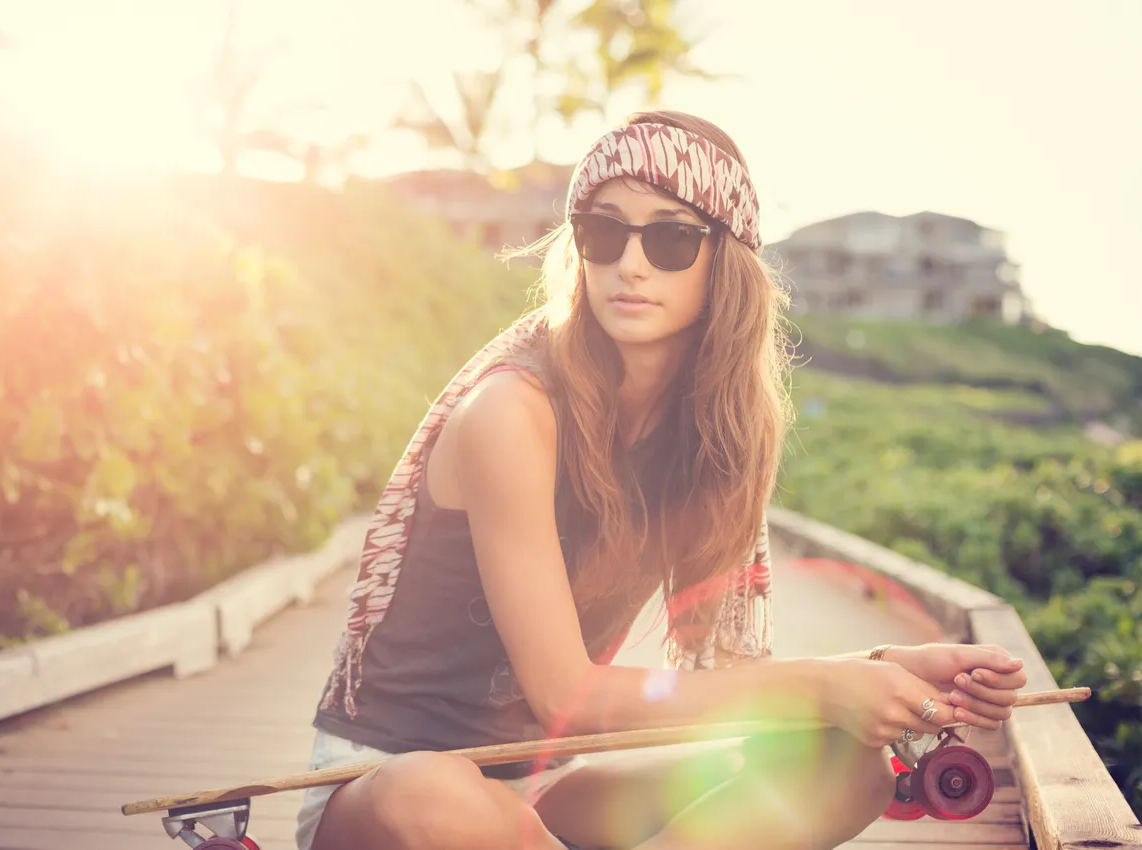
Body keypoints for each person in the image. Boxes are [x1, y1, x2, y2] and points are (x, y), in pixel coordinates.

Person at [294, 110, 1028, 850]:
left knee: (845, 767)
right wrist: (826, 686)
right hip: (392, 786)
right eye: (604, 232)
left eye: (672, 237)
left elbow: (741, 684)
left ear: (724, 259)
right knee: (435, 795)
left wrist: (878, 671)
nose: (631, 263)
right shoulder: (512, 414)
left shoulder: (710, 438)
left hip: (540, 787)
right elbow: (565, 695)